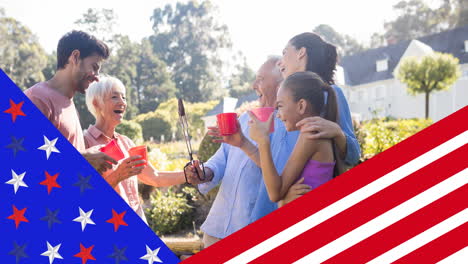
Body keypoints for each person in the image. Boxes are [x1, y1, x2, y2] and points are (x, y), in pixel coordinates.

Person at [185, 56, 301, 248]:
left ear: (282, 82)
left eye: (261, 79)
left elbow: (282, 174)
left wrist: (245, 144)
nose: (254, 85)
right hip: (217, 229)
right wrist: (203, 173)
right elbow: (220, 160)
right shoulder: (245, 120)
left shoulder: (291, 127)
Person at [84, 75, 187, 222]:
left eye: (124, 97)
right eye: (114, 97)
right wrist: (117, 175)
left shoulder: (127, 143)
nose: (122, 103)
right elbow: (86, 196)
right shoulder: (85, 144)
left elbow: (154, 177)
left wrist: (187, 175)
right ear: (96, 103)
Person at [24, 30, 116, 174]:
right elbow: (25, 160)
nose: (97, 77)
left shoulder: (70, 105)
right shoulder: (37, 98)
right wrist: (83, 159)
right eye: (94, 67)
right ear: (75, 57)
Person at [248, 71, 343, 203]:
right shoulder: (313, 132)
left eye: (280, 106)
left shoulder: (310, 135)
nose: (278, 114)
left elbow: (275, 193)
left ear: (301, 106)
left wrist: (263, 141)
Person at [277, 32, 360, 166]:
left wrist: (337, 133)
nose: (278, 62)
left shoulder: (331, 92)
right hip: (284, 184)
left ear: (301, 53)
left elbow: (354, 156)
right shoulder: (283, 100)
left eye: (284, 53)